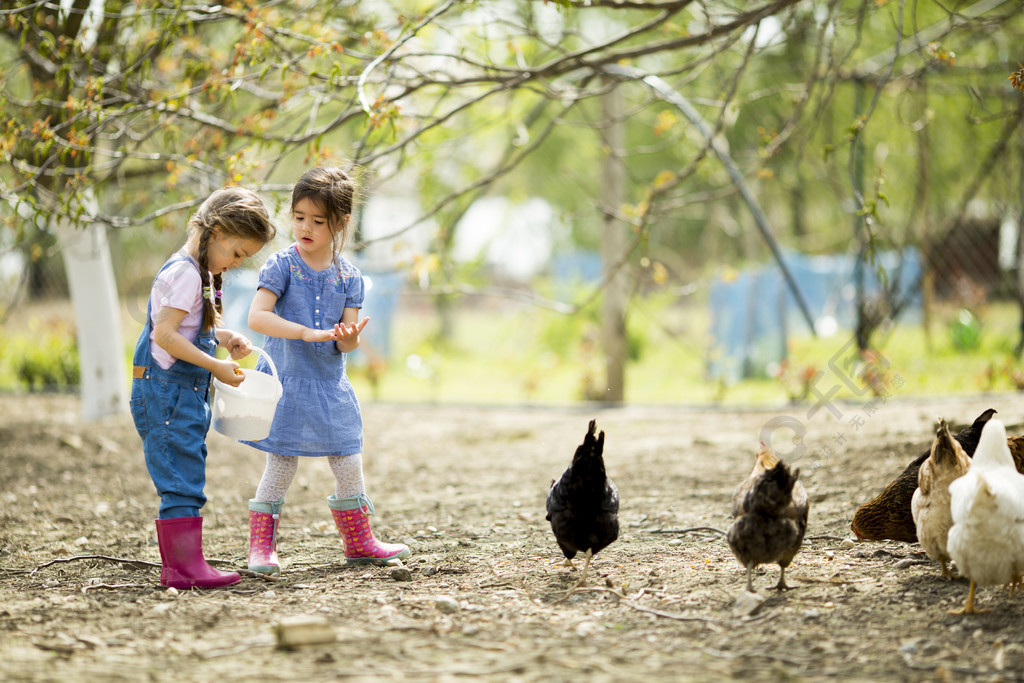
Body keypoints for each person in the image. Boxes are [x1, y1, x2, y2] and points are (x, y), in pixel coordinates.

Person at [242, 166, 409, 574]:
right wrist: (304, 332)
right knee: (281, 463)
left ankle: (360, 541)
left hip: (329, 384)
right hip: (286, 382)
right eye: (299, 217)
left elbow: (344, 342)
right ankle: (261, 547)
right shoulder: (281, 265)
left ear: (341, 222)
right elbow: (257, 317)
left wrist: (349, 336)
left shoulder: (349, 276)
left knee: (348, 459)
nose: (305, 227)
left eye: (318, 221)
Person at [130, 186, 276, 589]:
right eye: (237, 253)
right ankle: (180, 568)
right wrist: (215, 365)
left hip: (179, 394)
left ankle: (186, 563)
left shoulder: (199, 272)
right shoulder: (184, 274)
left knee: (187, 472)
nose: (235, 263)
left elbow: (189, 327)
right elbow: (165, 335)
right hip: (166, 395)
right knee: (180, 478)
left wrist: (223, 338)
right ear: (217, 230)